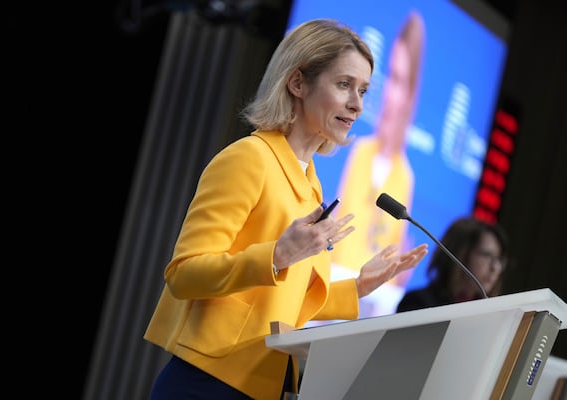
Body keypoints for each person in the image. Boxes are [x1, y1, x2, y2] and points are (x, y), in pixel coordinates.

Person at [143, 19, 428, 400]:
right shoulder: (250, 158)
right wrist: (277, 255)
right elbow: (183, 274)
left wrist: (360, 286)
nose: (357, 104)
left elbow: (287, 300)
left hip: (267, 385)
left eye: (362, 90)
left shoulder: (311, 184)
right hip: (209, 382)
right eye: (344, 85)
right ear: (297, 83)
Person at [332, 11, 426, 283]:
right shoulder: (361, 151)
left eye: (399, 80)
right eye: (389, 77)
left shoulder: (405, 177)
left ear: (411, 95)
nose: (387, 92)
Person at [396, 216, 509, 313]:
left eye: (499, 259)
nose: (495, 268)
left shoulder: (489, 314)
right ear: (460, 254)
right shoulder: (417, 304)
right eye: (486, 255)